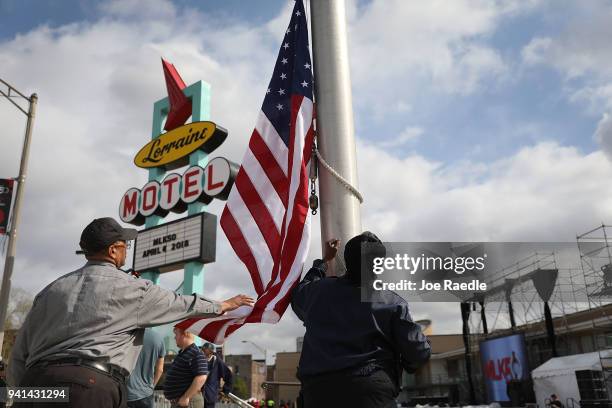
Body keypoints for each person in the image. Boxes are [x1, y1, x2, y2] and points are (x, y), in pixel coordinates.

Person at [8, 217, 254, 408]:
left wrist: (21, 394)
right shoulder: (133, 289)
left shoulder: (50, 290)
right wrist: (222, 306)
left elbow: (19, 353)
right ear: (113, 250)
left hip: (34, 382)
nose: (127, 249)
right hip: (90, 386)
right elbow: (181, 304)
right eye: (124, 245)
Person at [291, 232, 431, 408]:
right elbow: (418, 352)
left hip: (318, 392)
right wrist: (408, 362)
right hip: (371, 390)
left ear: (347, 260)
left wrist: (323, 263)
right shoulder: (392, 302)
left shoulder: (317, 292)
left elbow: (298, 295)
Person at [163, 328, 207, 408]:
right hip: (181, 402)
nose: (174, 337)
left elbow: (201, 377)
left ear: (185, 334)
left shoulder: (196, 353)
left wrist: (186, 397)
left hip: (188, 402)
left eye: (176, 334)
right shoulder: (184, 353)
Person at [127, 329, 166, 407]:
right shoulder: (158, 338)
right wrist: (152, 386)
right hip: (146, 394)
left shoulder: (126, 335)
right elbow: (160, 369)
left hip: (125, 393)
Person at [200, 342, 232, 408]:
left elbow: (229, 376)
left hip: (210, 397)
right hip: (198, 397)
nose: (203, 353)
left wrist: (225, 391)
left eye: (205, 351)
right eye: (202, 350)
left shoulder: (218, 362)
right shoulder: (199, 360)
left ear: (211, 352)